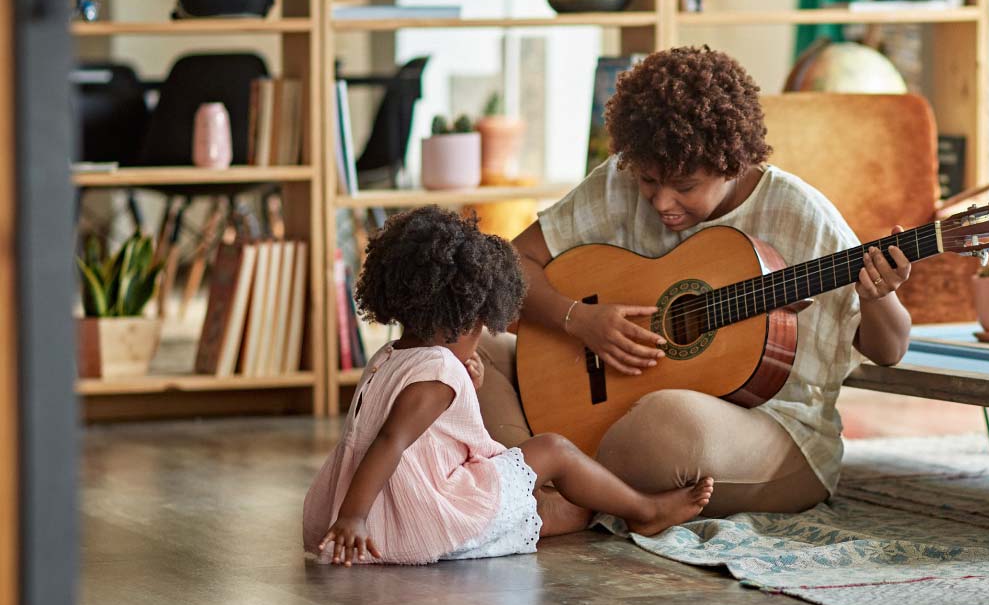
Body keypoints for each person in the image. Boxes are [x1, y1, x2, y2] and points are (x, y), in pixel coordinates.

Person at [474, 46, 912, 518]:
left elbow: (889, 350)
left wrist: (880, 296)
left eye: (685, 186)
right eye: (648, 181)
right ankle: (535, 489)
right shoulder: (620, 181)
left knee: (667, 424)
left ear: (732, 162)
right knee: (470, 347)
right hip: (615, 404)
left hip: (774, 432)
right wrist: (577, 318)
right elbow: (511, 260)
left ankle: (554, 493)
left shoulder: (802, 215)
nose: (662, 202)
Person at [303, 207, 714, 566]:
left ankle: (606, 506)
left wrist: (465, 380)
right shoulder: (437, 373)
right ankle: (645, 509)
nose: (481, 336)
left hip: (389, 515)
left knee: (561, 508)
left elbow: (420, 434)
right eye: (481, 326)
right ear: (461, 322)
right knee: (556, 454)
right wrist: (353, 518)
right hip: (424, 519)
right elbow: (390, 441)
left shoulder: (390, 356)